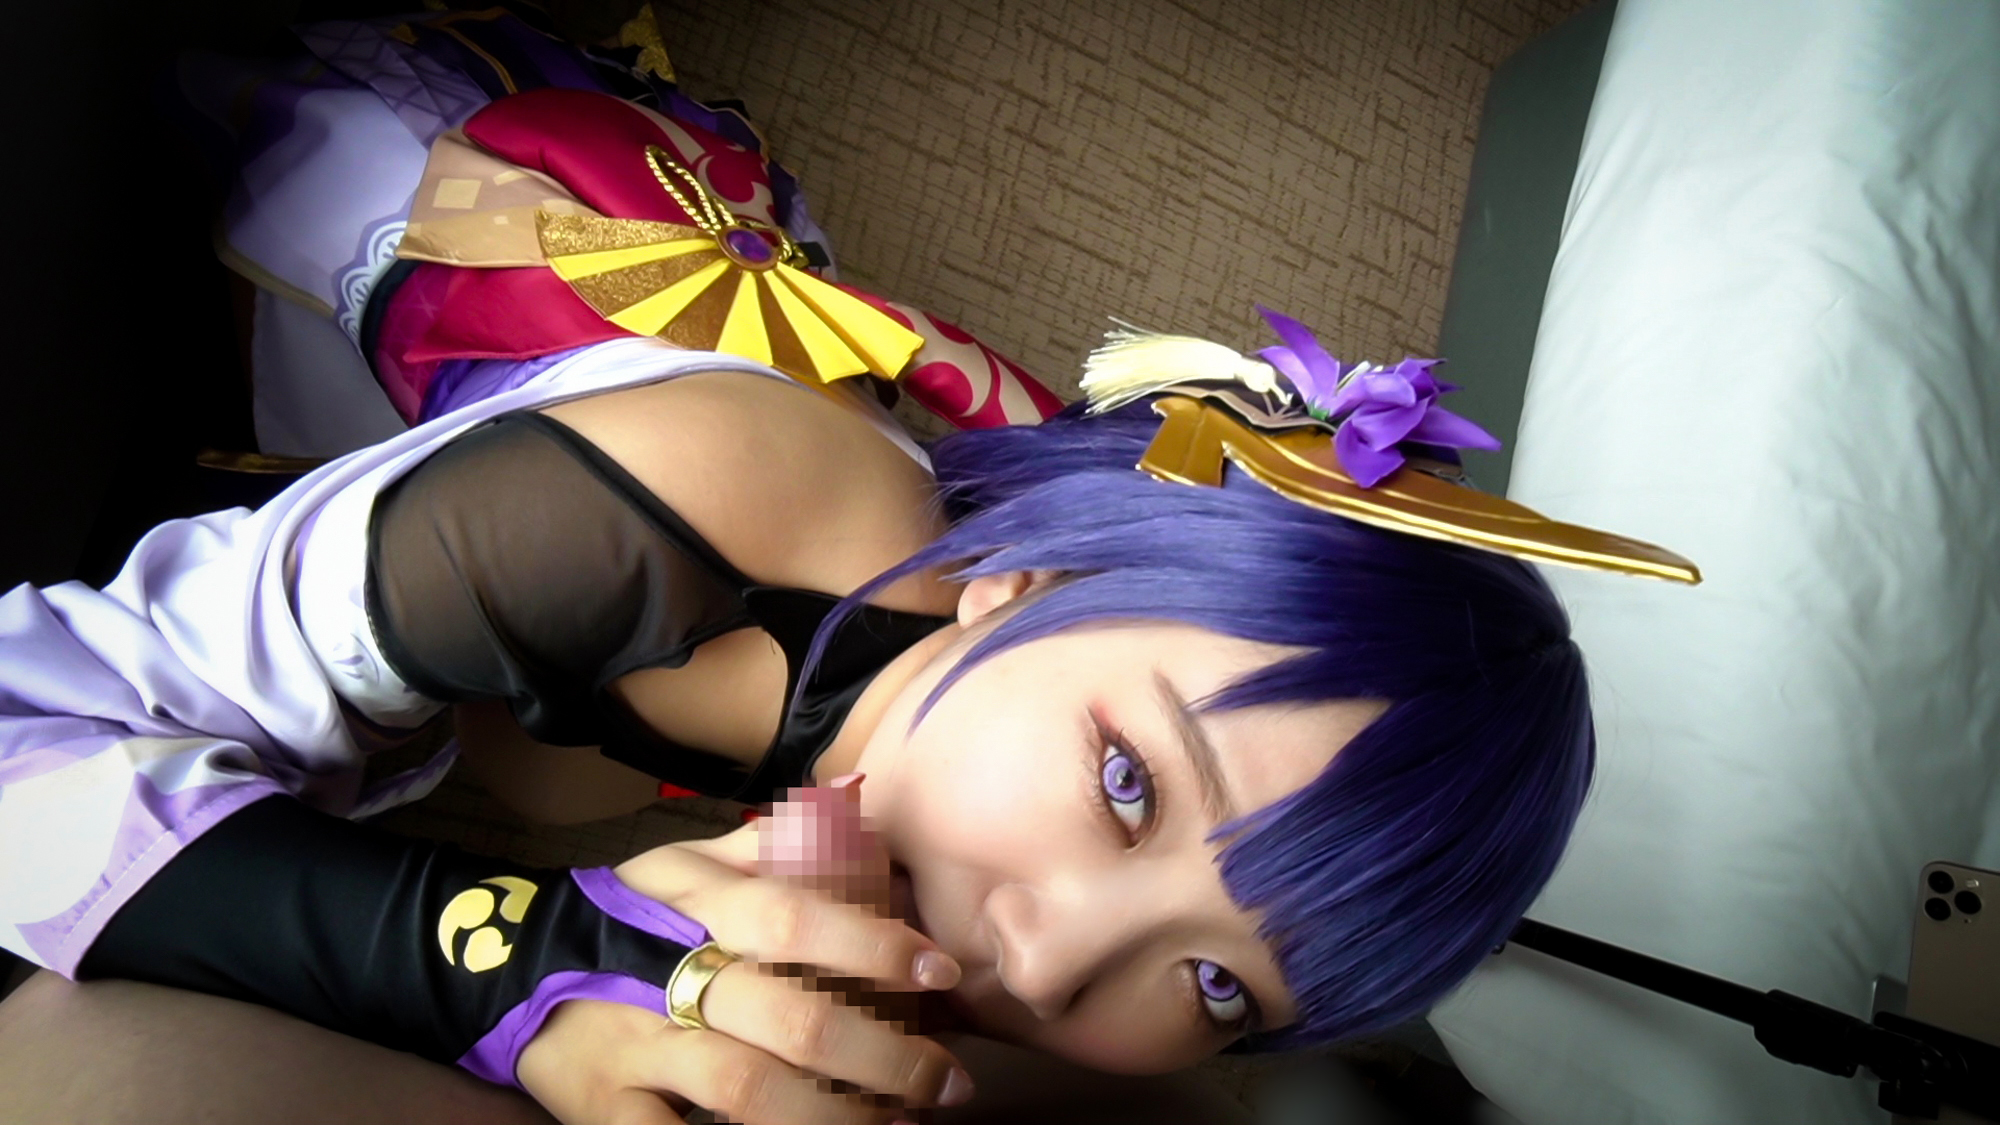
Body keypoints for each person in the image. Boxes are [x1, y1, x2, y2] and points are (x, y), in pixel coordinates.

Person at [0, 6, 1699, 1124]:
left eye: (1216, 983)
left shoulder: (983, 818)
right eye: (1126, 780)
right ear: (1022, 590)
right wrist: (507, 967)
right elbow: (23, 727)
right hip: (472, 256)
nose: (1050, 963)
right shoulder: (668, 499)